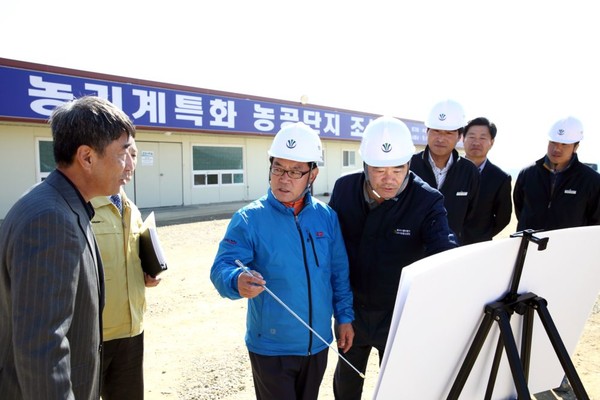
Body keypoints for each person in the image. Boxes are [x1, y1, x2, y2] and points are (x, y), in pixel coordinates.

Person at [0, 96, 136, 399]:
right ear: (87, 157)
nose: (130, 166)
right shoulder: (51, 220)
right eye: (123, 153)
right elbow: (42, 348)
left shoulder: (63, 205)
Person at [210, 122, 354, 399]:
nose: (284, 178)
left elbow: (338, 273)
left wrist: (345, 317)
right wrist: (235, 280)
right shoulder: (249, 219)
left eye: (295, 171)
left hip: (318, 343)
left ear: (313, 174)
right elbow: (222, 266)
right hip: (272, 347)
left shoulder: (326, 217)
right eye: (278, 168)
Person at [329, 116, 458, 399]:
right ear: (364, 166)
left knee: (397, 388)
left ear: (409, 165)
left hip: (398, 314)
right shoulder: (345, 190)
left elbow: (442, 248)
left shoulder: (427, 200)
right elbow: (329, 247)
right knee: (347, 382)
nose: (389, 179)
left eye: (398, 169)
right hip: (353, 312)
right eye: (378, 169)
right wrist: (340, 311)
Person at [91, 140, 161, 400]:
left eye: (135, 155)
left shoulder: (129, 207)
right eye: (125, 155)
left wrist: (144, 273)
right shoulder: (81, 208)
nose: (131, 164)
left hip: (132, 331)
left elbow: (127, 257)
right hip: (94, 336)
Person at [410, 99, 480, 244]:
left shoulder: (469, 171)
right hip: (412, 252)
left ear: (459, 137)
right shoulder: (409, 166)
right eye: (436, 131)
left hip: (451, 253)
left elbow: (473, 218)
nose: (441, 138)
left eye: (448, 133)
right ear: (427, 131)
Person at [513, 116, 600, 231]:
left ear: (576, 147)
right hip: (531, 246)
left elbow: (595, 222)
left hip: (570, 247)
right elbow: (520, 209)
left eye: (564, 144)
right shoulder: (527, 174)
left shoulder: (592, 180)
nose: (557, 149)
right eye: (553, 142)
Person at [462, 117, 513, 244]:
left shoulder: (500, 178)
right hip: (444, 245)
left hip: (479, 245)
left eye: (483, 138)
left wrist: (483, 234)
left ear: (492, 142)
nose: (476, 142)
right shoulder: (449, 170)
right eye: (472, 137)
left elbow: (503, 217)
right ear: (463, 139)